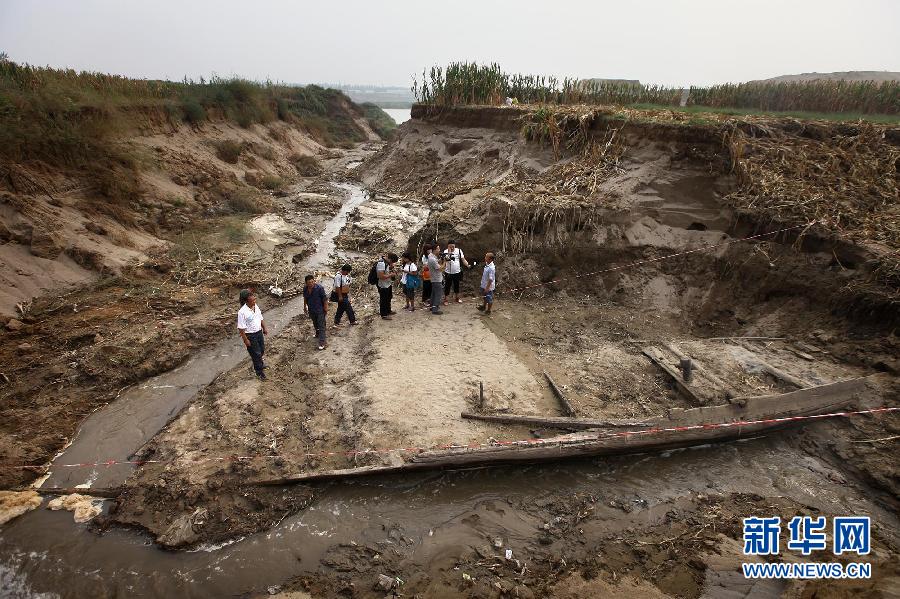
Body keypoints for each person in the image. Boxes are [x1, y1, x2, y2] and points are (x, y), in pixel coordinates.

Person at [237, 289, 268, 379]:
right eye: (252, 300)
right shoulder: (242, 312)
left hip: (258, 332)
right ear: (246, 301)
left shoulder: (255, 306)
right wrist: (245, 340)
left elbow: (260, 317)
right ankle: (259, 372)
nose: (254, 301)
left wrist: (264, 328)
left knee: (261, 350)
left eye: (254, 299)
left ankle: (261, 365)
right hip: (250, 335)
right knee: (256, 354)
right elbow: (241, 328)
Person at [303, 274, 329, 350]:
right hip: (311, 309)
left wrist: (326, 308)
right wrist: (305, 307)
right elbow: (305, 298)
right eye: (309, 283)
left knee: (321, 326)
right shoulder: (305, 288)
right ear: (306, 283)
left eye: (312, 282)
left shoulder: (319, 288)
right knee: (315, 323)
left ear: (314, 281)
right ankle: (317, 334)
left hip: (320, 309)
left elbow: (325, 299)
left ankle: (322, 343)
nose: (311, 284)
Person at [442, 239, 469, 305]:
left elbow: (463, 259)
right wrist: (449, 252)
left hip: (457, 271)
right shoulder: (445, 251)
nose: (452, 248)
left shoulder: (459, 251)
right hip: (448, 272)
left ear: (455, 245)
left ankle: (457, 297)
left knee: (456, 285)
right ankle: (446, 299)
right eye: (450, 246)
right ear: (448, 246)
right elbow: (445, 260)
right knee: (447, 286)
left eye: (453, 246)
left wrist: (467, 265)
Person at [376, 252, 399, 320]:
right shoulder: (381, 263)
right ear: (390, 259)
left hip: (388, 284)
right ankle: (384, 315)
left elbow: (387, 271)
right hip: (383, 285)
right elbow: (380, 276)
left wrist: (392, 268)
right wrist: (391, 275)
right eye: (392, 262)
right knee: (383, 300)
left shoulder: (387, 262)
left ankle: (388, 311)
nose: (392, 263)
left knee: (389, 297)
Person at [427, 244, 445, 315]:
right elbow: (440, 268)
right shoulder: (432, 259)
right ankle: (435, 309)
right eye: (438, 249)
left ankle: (432, 306)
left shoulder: (431, 256)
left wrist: (440, 260)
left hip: (434, 278)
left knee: (434, 293)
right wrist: (445, 262)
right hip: (437, 278)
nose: (439, 250)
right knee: (438, 294)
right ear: (434, 250)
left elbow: (436, 263)